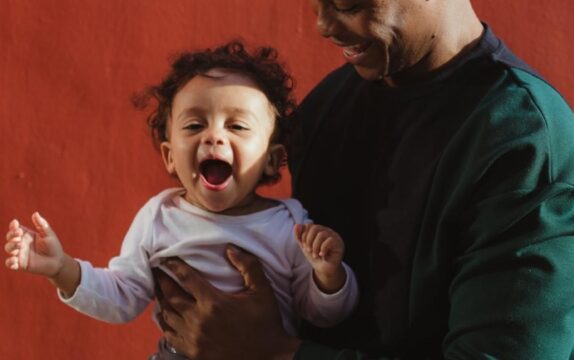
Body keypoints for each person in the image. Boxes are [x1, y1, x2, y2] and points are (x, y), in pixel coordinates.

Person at [152, 0, 574, 359]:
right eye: (314, 4)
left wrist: (275, 351)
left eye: (349, 3)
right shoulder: (325, 108)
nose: (324, 25)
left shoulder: (526, 148)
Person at [3, 41, 359, 359]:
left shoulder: (288, 223)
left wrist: (329, 275)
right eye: (194, 126)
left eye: (236, 126)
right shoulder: (159, 216)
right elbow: (122, 297)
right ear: (170, 156)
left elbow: (321, 314)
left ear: (271, 158)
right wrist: (62, 270)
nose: (214, 137)